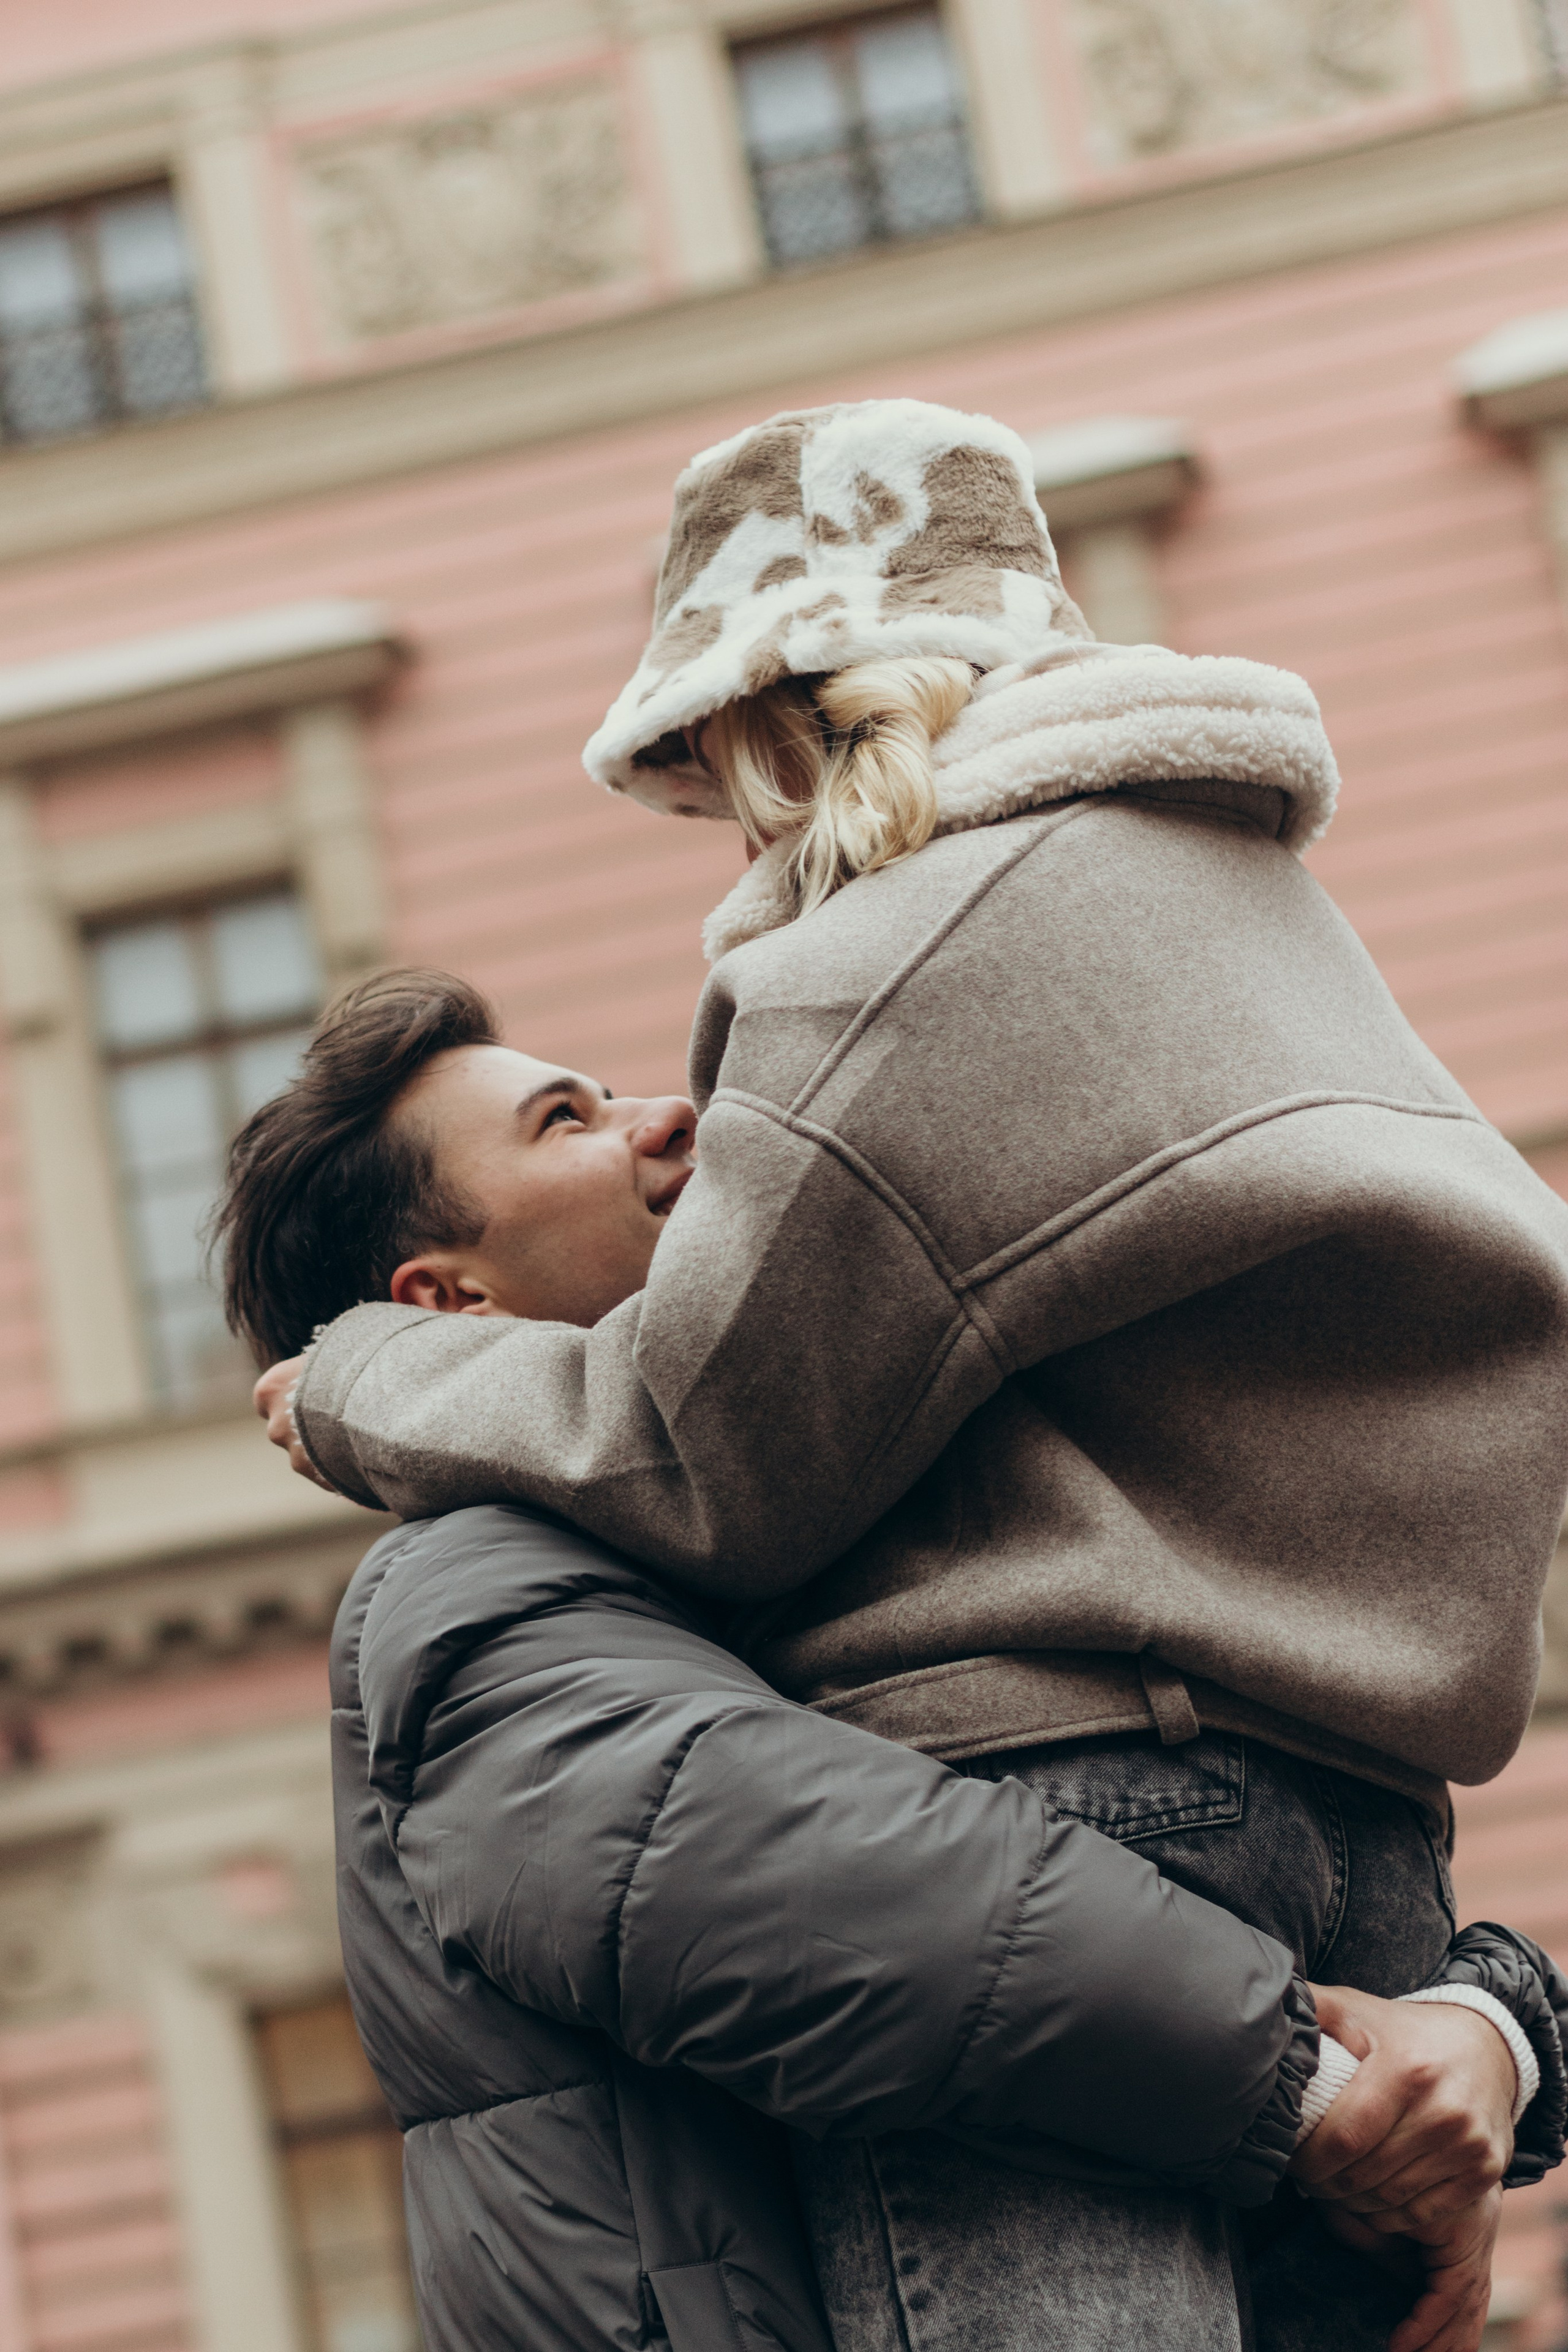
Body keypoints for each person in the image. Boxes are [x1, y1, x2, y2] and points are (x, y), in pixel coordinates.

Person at [251, 398, 1568, 2348]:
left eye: (709, 783)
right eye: (569, 1117)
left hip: (1085, 1791)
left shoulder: (882, 966)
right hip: (1362, 1834)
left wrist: (354, 1380)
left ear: (763, 717)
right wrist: (1482, 2020)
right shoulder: (1247, 905)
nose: (671, 1117)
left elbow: (704, 1456)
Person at [232, 972, 1567, 2352]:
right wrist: (1315, 2090)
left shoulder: (771, 1540)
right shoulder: (474, 1586)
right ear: (447, 1303)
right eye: (568, 1121)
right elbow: (829, 1897)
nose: (670, 1115)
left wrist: (1490, 2021)